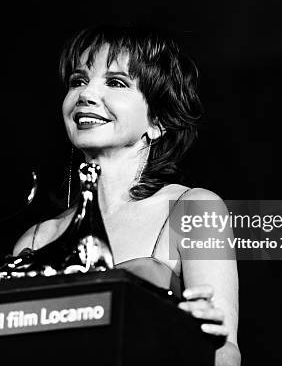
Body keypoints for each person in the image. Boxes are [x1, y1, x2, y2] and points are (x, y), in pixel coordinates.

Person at [13, 24, 240, 366]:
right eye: (78, 81)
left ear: (158, 120)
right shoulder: (35, 239)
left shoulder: (193, 208)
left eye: (116, 82)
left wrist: (192, 344)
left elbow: (227, 352)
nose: (86, 95)